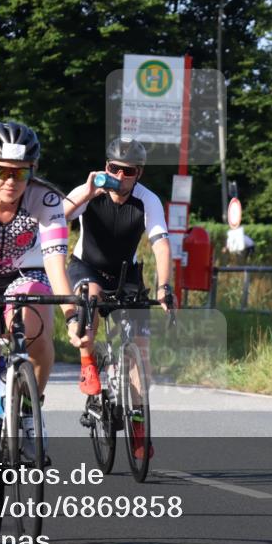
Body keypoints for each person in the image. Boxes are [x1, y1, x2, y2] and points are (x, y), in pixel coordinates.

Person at [0, 121, 87, 500]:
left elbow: (56, 267)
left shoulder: (48, 201)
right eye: (0, 171)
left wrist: (73, 318)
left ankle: (26, 415)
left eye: (20, 172)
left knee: (38, 333)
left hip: (24, 275)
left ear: (32, 171)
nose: (10, 181)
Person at [63, 137, 173, 460]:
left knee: (141, 351)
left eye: (128, 172)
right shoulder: (91, 190)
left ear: (138, 173)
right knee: (90, 301)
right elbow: (57, 217)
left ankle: (138, 425)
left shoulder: (147, 200)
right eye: (114, 169)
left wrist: (165, 286)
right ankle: (88, 364)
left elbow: (161, 246)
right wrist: (87, 192)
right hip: (88, 268)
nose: (120, 177)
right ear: (105, 166)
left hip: (127, 275)